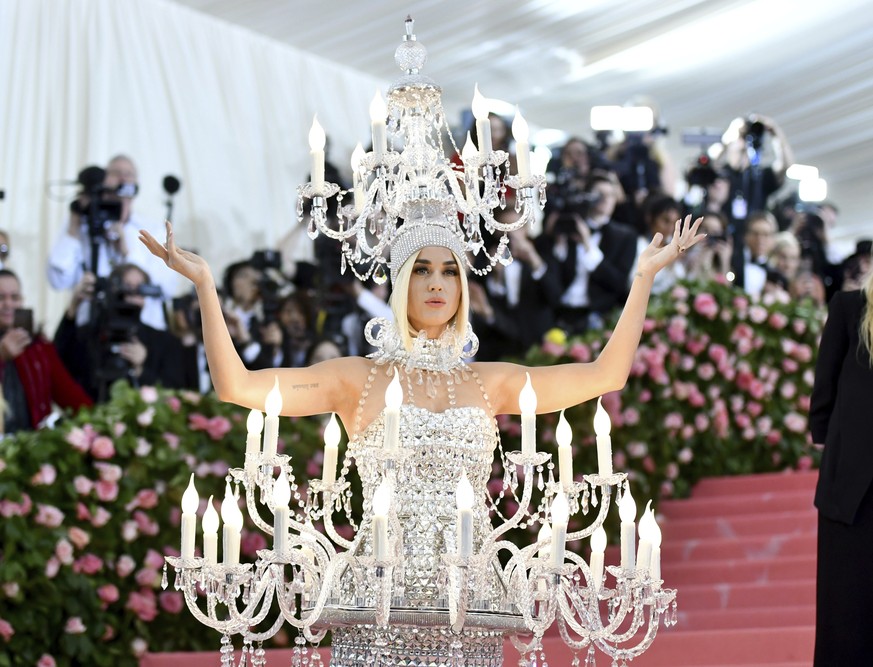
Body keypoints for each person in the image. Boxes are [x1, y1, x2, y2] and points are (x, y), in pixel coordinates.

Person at [140, 213, 703, 660]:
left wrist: (643, 278)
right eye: (423, 270)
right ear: (400, 281)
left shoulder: (490, 383)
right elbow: (237, 385)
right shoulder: (356, 378)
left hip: (470, 600)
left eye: (450, 271)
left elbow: (606, 375)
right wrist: (207, 287)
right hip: (375, 601)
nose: (437, 283)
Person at [809, 266, 873, 664]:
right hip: (852, 489)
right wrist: (829, 440)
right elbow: (825, 386)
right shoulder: (851, 307)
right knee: (845, 612)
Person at [46, 155, 178, 330]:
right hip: (91, 329)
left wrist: (126, 252)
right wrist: (73, 227)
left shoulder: (153, 230)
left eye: (128, 174)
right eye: (116, 173)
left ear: (136, 185)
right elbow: (57, 280)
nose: (122, 178)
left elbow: (168, 287)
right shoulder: (83, 227)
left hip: (143, 329)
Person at [0, 269, 92, 434]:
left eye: (14, 297)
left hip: (32, 447)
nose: (8, 304)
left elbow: (71, 396)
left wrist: (102, 422)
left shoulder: (39, 347)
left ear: (22, 301)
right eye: (1, 298)